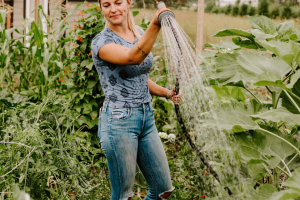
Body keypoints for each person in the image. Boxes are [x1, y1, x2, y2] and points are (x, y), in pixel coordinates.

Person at [91, 0, 183, 199]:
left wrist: (167, 93)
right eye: (106, 5)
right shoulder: (101, 42)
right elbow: (133, 58)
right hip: (119, 121)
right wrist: (156, 23)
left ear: (128, 2)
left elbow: (138, 77)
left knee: (163, 190)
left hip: (146, 118)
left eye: (118, 2)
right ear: (101, 8)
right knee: (123, 195)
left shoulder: (139, 33)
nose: (113, 9)